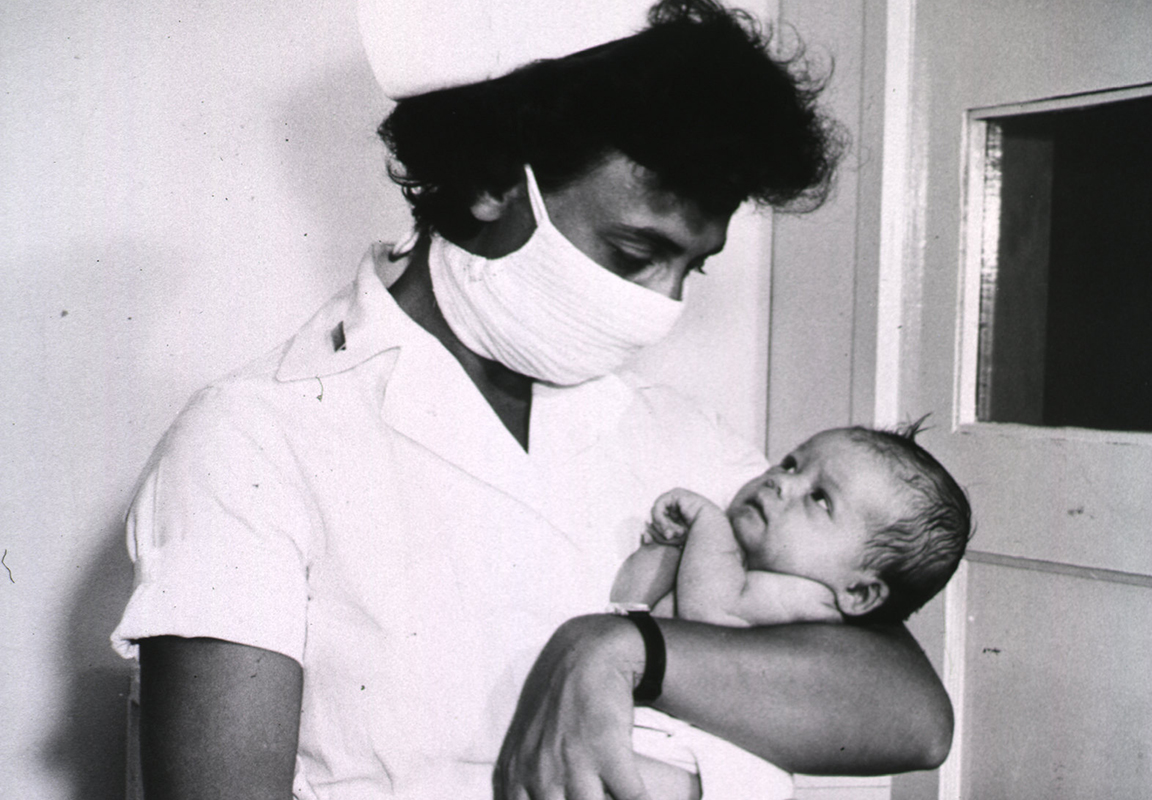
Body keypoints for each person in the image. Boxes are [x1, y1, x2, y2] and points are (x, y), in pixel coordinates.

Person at [110, 2, 954, 799]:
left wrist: (623, 647)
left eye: (689, 270)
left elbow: (911, 717)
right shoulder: (257, 437)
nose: (660, 306)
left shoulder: (674, 433)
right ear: (490, 182)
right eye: (633, 255)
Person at [608, 424, 972, 800]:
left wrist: (707, 522)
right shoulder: (735, 565)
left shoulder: (806, 598)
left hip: (706, 757)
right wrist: (664, 550)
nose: (780, 482)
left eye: (819, 499)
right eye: (791, 464)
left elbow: (709, 616)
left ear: (859, 592)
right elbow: (625, 612)